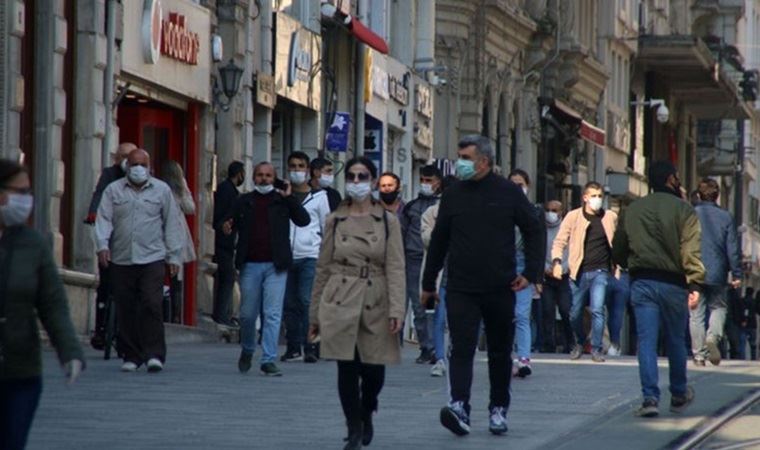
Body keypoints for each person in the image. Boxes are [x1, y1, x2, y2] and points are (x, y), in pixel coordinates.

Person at [422, 135, 542, 436]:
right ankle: (459, 406)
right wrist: (428, 282)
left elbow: (533, 229)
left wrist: (530, 272)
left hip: (501, 286)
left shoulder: (508, 192)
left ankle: (498, 408)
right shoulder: (453, 194)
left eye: (465, 157)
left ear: (484, 161)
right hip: (460, 286)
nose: (459, 162)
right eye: (459, 155)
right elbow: (439, 240)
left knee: (500, 352)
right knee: (461, 347)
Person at [308, 157, 406, 450]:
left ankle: (367, 409)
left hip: (376, 297)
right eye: (351, 176)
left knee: (374, 371)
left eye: (362, 176)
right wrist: (314, 315)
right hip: (340, 297)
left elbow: (396, 267)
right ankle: (353, 427)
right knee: (347, 368)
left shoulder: (388, 222)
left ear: (374, 181)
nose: (356, 181)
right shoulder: (335, 219)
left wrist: (397, 309)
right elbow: (322, 267)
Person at [0, 159, 85, 450]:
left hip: (22, 369)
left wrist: (69, 351)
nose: (26, 200)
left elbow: (52, 304)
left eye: (28, 193)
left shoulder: (33, 245)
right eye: (19, 192)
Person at [612, 160, 704, 418]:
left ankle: (650, 398)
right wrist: (694, 281)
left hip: (642, 282)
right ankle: (678, 393)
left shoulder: (634, 209)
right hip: (674, 284)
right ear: (670, 180)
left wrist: (625, 263)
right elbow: (691, 249)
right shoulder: (684, 210)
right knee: (675, 339)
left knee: (647, 341)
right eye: (676, 177)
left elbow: (619, 246)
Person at [95, 149, 184, 373]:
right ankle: (131, 355)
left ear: (149, 166)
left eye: (142, 164)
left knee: (151, 304)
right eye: (134, 163)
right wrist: (102, 246)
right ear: (126, 165)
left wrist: (174, 256)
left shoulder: (161, 190)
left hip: (152, 256)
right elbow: (104, 219)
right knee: (126, 307)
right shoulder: (113, 190)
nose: (138, 168)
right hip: (122, 257)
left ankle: (154, 354)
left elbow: (172, 223)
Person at [222, 162, 309, 376]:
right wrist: (226, 225)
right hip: (250, 264)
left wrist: (290, 196)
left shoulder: (282, 201)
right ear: (253, 178)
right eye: (260, 175)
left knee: (272, 313)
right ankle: (248, 348)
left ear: (275, 178)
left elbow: (303, 220)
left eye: (268, 176)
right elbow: (226, 221)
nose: (264, 179)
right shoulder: (244, 201)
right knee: (247, 315)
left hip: (276, 265)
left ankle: (268, 359)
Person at [551, 181, 617, 362]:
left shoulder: (610, 217)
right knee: (574, 313)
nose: (597, 200)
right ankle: (579, 342)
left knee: (597, 309)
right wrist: (557, 261)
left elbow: (617, 242)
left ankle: (595, 348)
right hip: (578, 272)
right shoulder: (573, 217)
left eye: (600, 196)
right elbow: (559, 241)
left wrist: (618, 265)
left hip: (600, 271)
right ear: (585, 198)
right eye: (593, 196)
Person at [84, 142, 137, 349]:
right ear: (116, 158)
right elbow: (99, 194)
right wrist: (93, 212)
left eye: (130, 155)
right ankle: (100, 330)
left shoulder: (142, 177)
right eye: (122, 155)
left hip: (131, 237)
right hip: (111, 234)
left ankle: (129, 332)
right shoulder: (109, 174)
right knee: (105, 282)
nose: (126, 160)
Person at [281, 152, 330, 363]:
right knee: (289, 303)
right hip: (285, 255)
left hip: (310, 255)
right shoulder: (281, 195)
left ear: (308, 170)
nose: (296, 170)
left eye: (300, 166)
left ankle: (311, 344)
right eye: (292, 166)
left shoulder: (319, 197)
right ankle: (293, 346)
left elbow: (326, 227)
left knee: (306, 300)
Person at [689, 178, 742, 366]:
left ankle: (699, 355)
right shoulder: (726, 217)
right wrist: (736, 273)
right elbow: (732, 248)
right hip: (718, 272)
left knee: (696, 313)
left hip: (694, 270)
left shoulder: (691, 214)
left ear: (699, 194)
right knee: (718, 307)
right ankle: (713, 337)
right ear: (717, 195)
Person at [400, 164, 442, 364]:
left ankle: (438, 346)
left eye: (429, 180)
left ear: (438, 183)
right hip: (414, 259)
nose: (425, 184)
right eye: (423, 180)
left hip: (437, 260)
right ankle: (425, 347)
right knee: (418, 306)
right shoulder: (411, 207)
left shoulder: (444, 205)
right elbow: (402, 233)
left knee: (437, 306)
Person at [507, 169, 546, 377]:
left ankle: (523, 358)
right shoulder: (500, 209)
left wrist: (536, 276)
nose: (516, 187)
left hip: (524, 267)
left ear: (527, 186)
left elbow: (538, 245)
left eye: (520, 183)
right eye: (512, 183)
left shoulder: (533, 211)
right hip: (503, 266)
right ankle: (507, 356)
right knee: (505, 315)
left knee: (521, 314)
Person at [421, 175, 458, 377]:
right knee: (440, 316)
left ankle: (455, 352)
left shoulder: (467, 212)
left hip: (462, 275)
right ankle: (440, 358)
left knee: (459, 319)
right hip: (442, 276)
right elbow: (428, 240)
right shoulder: (431, 213)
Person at [161, 160, 197, 323]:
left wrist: (182, 190)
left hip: (165, 232)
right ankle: (174, 315)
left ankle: (171, 314)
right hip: (169, 231)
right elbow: (190, 208)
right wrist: (183, 192)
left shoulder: (173, 189)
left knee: (168, 274)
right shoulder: (163, 188)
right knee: (176, 277)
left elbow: (191, 208)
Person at [212, 161, 245, 327]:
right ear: (239, 173)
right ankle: (221, 315)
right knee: (227, 277)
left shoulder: (229, 190)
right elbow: (224, 214)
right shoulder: (228, 190)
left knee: (227, 277)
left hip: (227, 241)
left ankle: (223, 313)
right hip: (223, 241)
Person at [540, 200, 574, 354]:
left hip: (564, 277)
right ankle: (549, 345)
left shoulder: (567, 230)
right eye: (547, 209)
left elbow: (573, 254)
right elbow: (537, 251)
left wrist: (562, 268)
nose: (550, 213)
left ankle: (570, 343)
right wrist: (546, 269)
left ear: (561, 212)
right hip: (546, 277)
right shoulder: (540, 229)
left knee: (566, 310)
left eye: (554, 210)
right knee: (547, 311)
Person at [732, 287, 757, 360]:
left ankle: (742, 357)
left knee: (742, 343)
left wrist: (744, 320)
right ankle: (753, 358)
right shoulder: (754, 301)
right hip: (753, 325)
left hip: (744, 325)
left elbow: (745, 311)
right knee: (753, 344)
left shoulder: (743, 300)